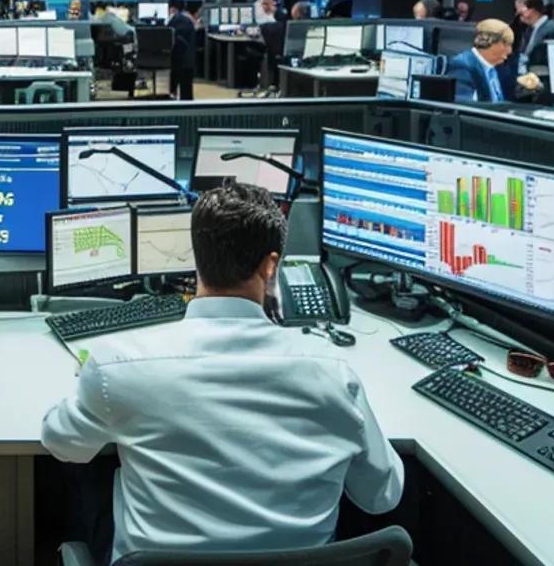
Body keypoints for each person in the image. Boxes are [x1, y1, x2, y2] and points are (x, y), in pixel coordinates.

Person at [41, 182, 402, 562]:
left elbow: (61, 443)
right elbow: (382, 496)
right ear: (271, 265)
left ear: (197, 255)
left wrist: (93, 388)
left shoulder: (120, 367)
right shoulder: (333, 374)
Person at [445, 20, 540, 104]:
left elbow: (503, 98)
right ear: (489, 42)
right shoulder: (462, 67)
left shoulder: (497, 66)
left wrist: (524, 87)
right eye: (506, 44)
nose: (510, 50)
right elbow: (465, 107)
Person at [166, 0, 198, 102]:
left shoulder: (177, 20)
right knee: (186, 94)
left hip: (179, 61)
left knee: (177, 92)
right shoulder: (187, 19)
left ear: (172, 9)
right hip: (187, 61)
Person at [511, 0, 549, 65]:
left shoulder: (549, 30)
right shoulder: (528, 30)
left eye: (520, 13)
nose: (519, 17)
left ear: (531, 11)